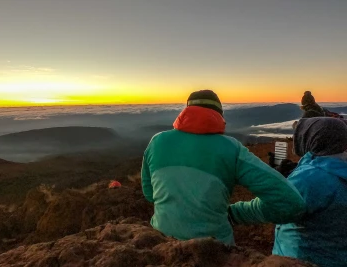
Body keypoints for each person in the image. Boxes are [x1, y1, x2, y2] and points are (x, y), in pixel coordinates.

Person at [141, 90, 305, 245]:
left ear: (187, 110)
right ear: (219, 115)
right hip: (214, 250)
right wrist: (235, 214)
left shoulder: (157, 141)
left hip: (162, 243)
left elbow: (149, 194)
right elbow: (290, 203)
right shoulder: (232, 149)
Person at [273, 117, 347, 267]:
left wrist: (275, 181)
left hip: (300, 258)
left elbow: (273, 209)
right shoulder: (339, 170)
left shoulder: (307, 179)